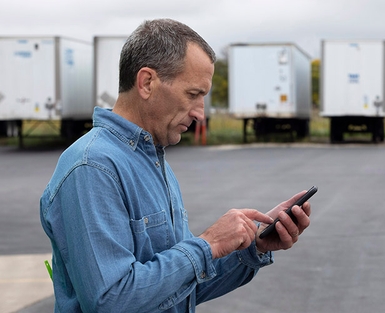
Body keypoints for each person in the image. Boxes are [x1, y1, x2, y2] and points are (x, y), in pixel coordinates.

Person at [40, 18, 311, 313]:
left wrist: (253, 245)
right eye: (193, 94)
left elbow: (180, 290)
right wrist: (207, 244)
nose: (201, 114)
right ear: (147, 82)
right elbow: (111, 300)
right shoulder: (92, 167)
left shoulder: (152, 161)